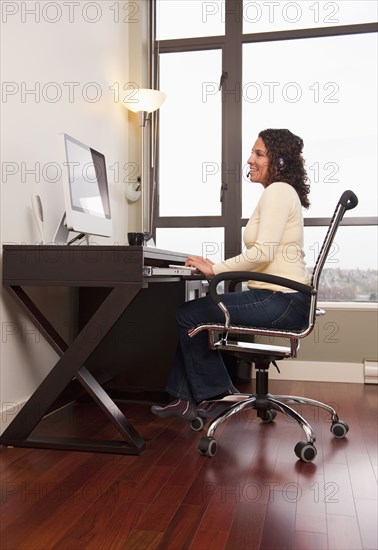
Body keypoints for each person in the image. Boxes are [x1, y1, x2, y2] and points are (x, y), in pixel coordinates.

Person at [151, 128, 311, 421]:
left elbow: (262, 253)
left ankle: (216, 395)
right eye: (252, 152)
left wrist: (215, 269)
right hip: (284, 298)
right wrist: (219, 268)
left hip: (282, 300)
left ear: (280, 161)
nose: (250, 159)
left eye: (259, 154)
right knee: (195, 314)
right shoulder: (280, 192)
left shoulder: (278, 191)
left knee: (190, 314)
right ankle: (182, 399)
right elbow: (265, 255)